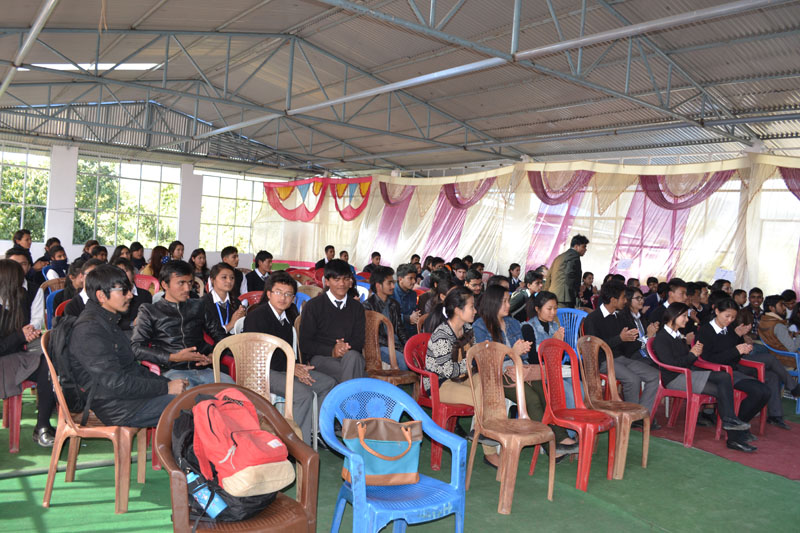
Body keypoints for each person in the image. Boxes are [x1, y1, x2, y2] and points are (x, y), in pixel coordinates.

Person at [69, 265, 184, 427]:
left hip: (126, 398)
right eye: (123, 291)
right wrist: (165, 387)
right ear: (101, 296)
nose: (130, 295)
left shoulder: (107, 320)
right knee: (192, 406)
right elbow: (117, 383)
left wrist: (167, 383)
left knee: (193, 397)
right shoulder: (89, 330)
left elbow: (131, 368)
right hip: (116, 407)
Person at [243, 271, 335, 446]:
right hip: (262, 371)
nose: (283, 298)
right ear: (269, 293)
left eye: (288, 294)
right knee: (303, 395)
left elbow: (289, 352)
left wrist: (299, 367)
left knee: (328, 384)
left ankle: (312, 431)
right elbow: (259, 356)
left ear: (293, 298)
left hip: (285, 368)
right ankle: (297, 444)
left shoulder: (288, 318)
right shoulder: (257, 317)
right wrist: (292, 368)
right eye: (278, 292)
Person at [652, 303, 756, 452]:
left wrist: (694, 354)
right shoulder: (662, 337)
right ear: (673, 316)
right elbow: (671, 365)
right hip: (675, 379)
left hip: (686, 374)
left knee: (724, 383)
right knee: (723, 383)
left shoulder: (676, 335)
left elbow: (686, 360)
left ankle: (732, 429)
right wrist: (692, 355)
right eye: (684, 316)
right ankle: (732, 430)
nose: (687, 319)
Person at [425, 286, 499, 468]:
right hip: (440, 384)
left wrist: (482, 352)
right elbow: (447, 370)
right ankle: (489, 448)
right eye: (472, 306)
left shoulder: (467, 328)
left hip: (462, 376)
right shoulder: (442, 335)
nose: (475, 311)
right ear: (458, 310)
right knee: (481, 396)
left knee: (492, 387)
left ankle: (481, 431)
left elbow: (472, 357)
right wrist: (470, 361)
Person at [131, 260, 234, 387]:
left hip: (205, 369)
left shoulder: (199, 306)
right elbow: (136, 348)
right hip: (173, 371)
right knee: (192, 397)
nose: (187, 288)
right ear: (164, 284)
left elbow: (221, 336)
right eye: (181, 283)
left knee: (236, 393)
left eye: (190, 282)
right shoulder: (150, 311)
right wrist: (172, 357)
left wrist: (213, 355)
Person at [583, 281, 660, 420]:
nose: (626, 301)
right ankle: (631, 417)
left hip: (621, 358)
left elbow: (627, 347)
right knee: (633, 380)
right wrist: (620, 338)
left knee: (654, 375)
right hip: (603, 361)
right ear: (613, 300)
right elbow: (593, 348)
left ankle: (641, 414)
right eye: (624, 297)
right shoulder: (593, 319)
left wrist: (643, 337)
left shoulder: (618, 316)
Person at [0, 259, 57, 447]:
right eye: (19, 279)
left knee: (48, 366)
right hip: (4, 362)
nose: (23, 283)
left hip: (15, 357)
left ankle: (42, 426)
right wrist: (20, 335)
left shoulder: (21, 298)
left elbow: (30, 329)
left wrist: (24, 335)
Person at [696, 297, 773, 430]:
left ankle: (737, 425)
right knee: (759, 391)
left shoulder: (730, 329)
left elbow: (734, 357)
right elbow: (708, 359)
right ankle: (735, 428)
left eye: (733, 317)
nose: (730, 320)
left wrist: (742, 347)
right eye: (727, 316)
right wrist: (736, 350)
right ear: (717, 311)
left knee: (764, 391)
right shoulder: (705, 331)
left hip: (732, 370)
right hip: (717, 374)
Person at [298, 259, 366, 383]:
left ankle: (345, 395)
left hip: (350, 356)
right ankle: (353, 393)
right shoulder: (313, 306)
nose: (342, 284)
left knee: (353, 357)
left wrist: (344, 347)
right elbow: (305, 343)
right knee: (356, 370)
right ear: (327, 281)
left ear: (351, 282)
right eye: (337, 279)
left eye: (346, 279)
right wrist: (332, 351)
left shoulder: (357, 308)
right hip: (321, 358)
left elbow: (359, 340)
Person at [363, 266, 409, 371]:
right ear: (378, 286)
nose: (393, 286)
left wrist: (407, 346)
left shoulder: (394, 304)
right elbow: (372, 336)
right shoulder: (367, 306)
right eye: (389, 283)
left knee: (414, 356)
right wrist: (395, 346)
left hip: (395, 345)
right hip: (379, 346)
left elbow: (400, 329)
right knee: (402, 361)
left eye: (393, 282)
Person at [544, 234, 588, 308]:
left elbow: (549, 276)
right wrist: (578, 290)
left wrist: (546, 293)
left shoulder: (560, 257)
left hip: (553, 294)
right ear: (576, 246)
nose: (585, 249)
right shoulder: (574, 256)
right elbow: (569, 275)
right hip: (565, 297)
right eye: (584, 247)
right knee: (564, 315)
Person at [618, 286, 659, 362]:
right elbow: (629, 348)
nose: (642, 301)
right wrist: (647, 336)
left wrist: (653, 330)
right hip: (633, 357)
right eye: (638, 298)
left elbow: (648, 335)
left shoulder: (641, 317)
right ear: (628, 300)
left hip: (646, 353)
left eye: (642, 298)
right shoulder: (622, 319)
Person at [110, 258, 152, 332]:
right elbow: (112, 321)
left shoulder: (145, 295)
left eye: (125, 271)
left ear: (133, 272)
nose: (122, 275)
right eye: (118, 272)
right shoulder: (112, 296)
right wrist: (132, 323)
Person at [203, 262, 245, 334]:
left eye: (232, 278)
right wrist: (231, 324)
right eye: (224, 277)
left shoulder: (236, 302)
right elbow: (210, 334)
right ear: (212, 280)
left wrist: (240, 321)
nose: (229, 281)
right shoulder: (203, 303)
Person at [392, 263, 421, 340]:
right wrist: (407, 318)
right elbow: (389, 316)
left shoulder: (413, 294)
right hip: (395, 334)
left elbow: (413, 313)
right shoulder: (390, 293)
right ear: (400, 279)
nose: (414, 281)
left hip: (411, 331)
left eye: (415, 278)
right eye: (410, 278)